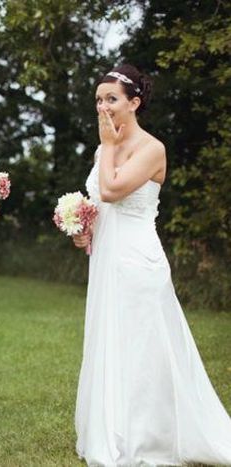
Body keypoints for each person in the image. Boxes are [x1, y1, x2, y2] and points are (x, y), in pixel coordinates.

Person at [73, 64, 231, 465]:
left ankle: (147, 438)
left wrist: (107, 145)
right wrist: (82, 228)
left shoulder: (151, 148)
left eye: (112, 99)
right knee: (111, 339)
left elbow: (112, 190)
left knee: (143, 346)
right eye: (98, 100)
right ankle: (112, 429)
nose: (103, 107)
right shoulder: (103, 148)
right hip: (105, 257)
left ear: (134, 103)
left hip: (138, 259)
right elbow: (98, 202)